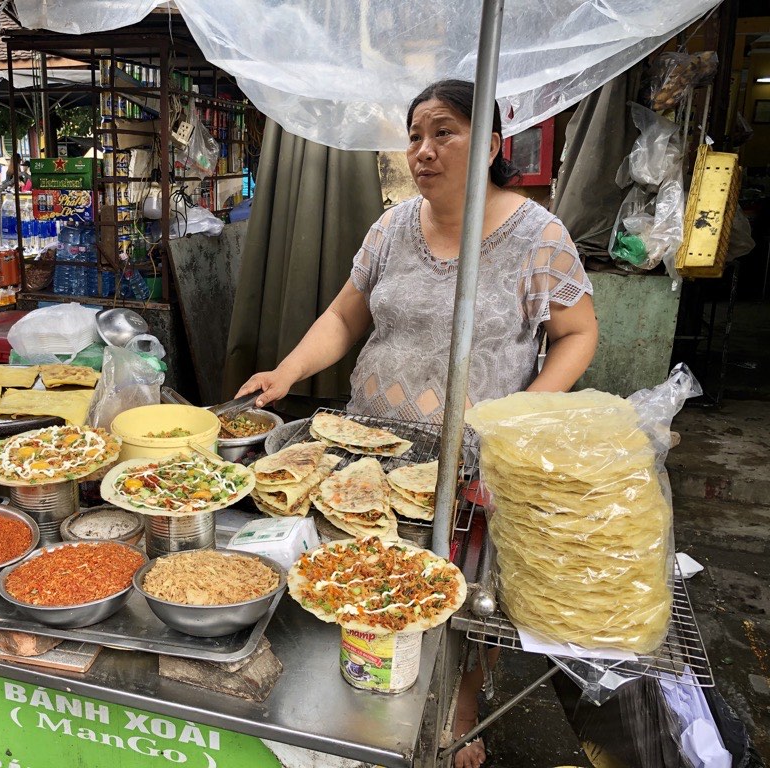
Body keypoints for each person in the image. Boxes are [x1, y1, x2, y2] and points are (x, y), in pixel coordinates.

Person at [236, 79, 598, 768]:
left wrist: (520, 416)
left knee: (457, 582)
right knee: (368, 574)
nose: (423, 150)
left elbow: (579, 334)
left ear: (490, 145)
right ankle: (367, 693)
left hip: (468, 456)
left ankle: (458, 707)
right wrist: (285, 373)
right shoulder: (392, 227)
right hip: (368, 450)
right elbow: (346, 316)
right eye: (416, 135)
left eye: (444, 132)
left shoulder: (536, 234)